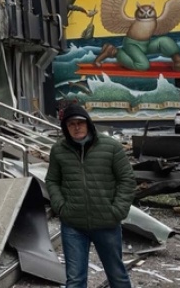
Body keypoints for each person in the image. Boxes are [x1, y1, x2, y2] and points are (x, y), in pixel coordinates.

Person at [46, 104, 136, 288]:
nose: (76, 127)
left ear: (88, 123)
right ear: (65, 127)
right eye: (71, 124)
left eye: (80, 123)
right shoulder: (59, 150)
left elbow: (127, 179)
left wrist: (117, 210)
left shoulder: (111, 147)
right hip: (73, 225)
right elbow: (52, 180)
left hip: (106, 222)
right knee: (75, 280)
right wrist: (61, 206)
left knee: (117, 276)